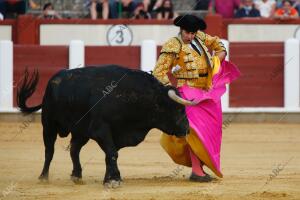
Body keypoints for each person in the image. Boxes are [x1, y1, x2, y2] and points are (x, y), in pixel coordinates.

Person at [153, 14, 240, 182]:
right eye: (188, 33)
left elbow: (217, 43)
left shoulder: (199, 37)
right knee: (196, 133)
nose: (191, 36)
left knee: (210, 133)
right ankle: (196, 170)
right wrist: (169, 89)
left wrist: (220, 55)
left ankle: (199, 168)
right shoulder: (173, 44)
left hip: (208, 91)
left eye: (193, 33)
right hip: (187, 92)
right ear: (181, 30)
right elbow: (159, 72)